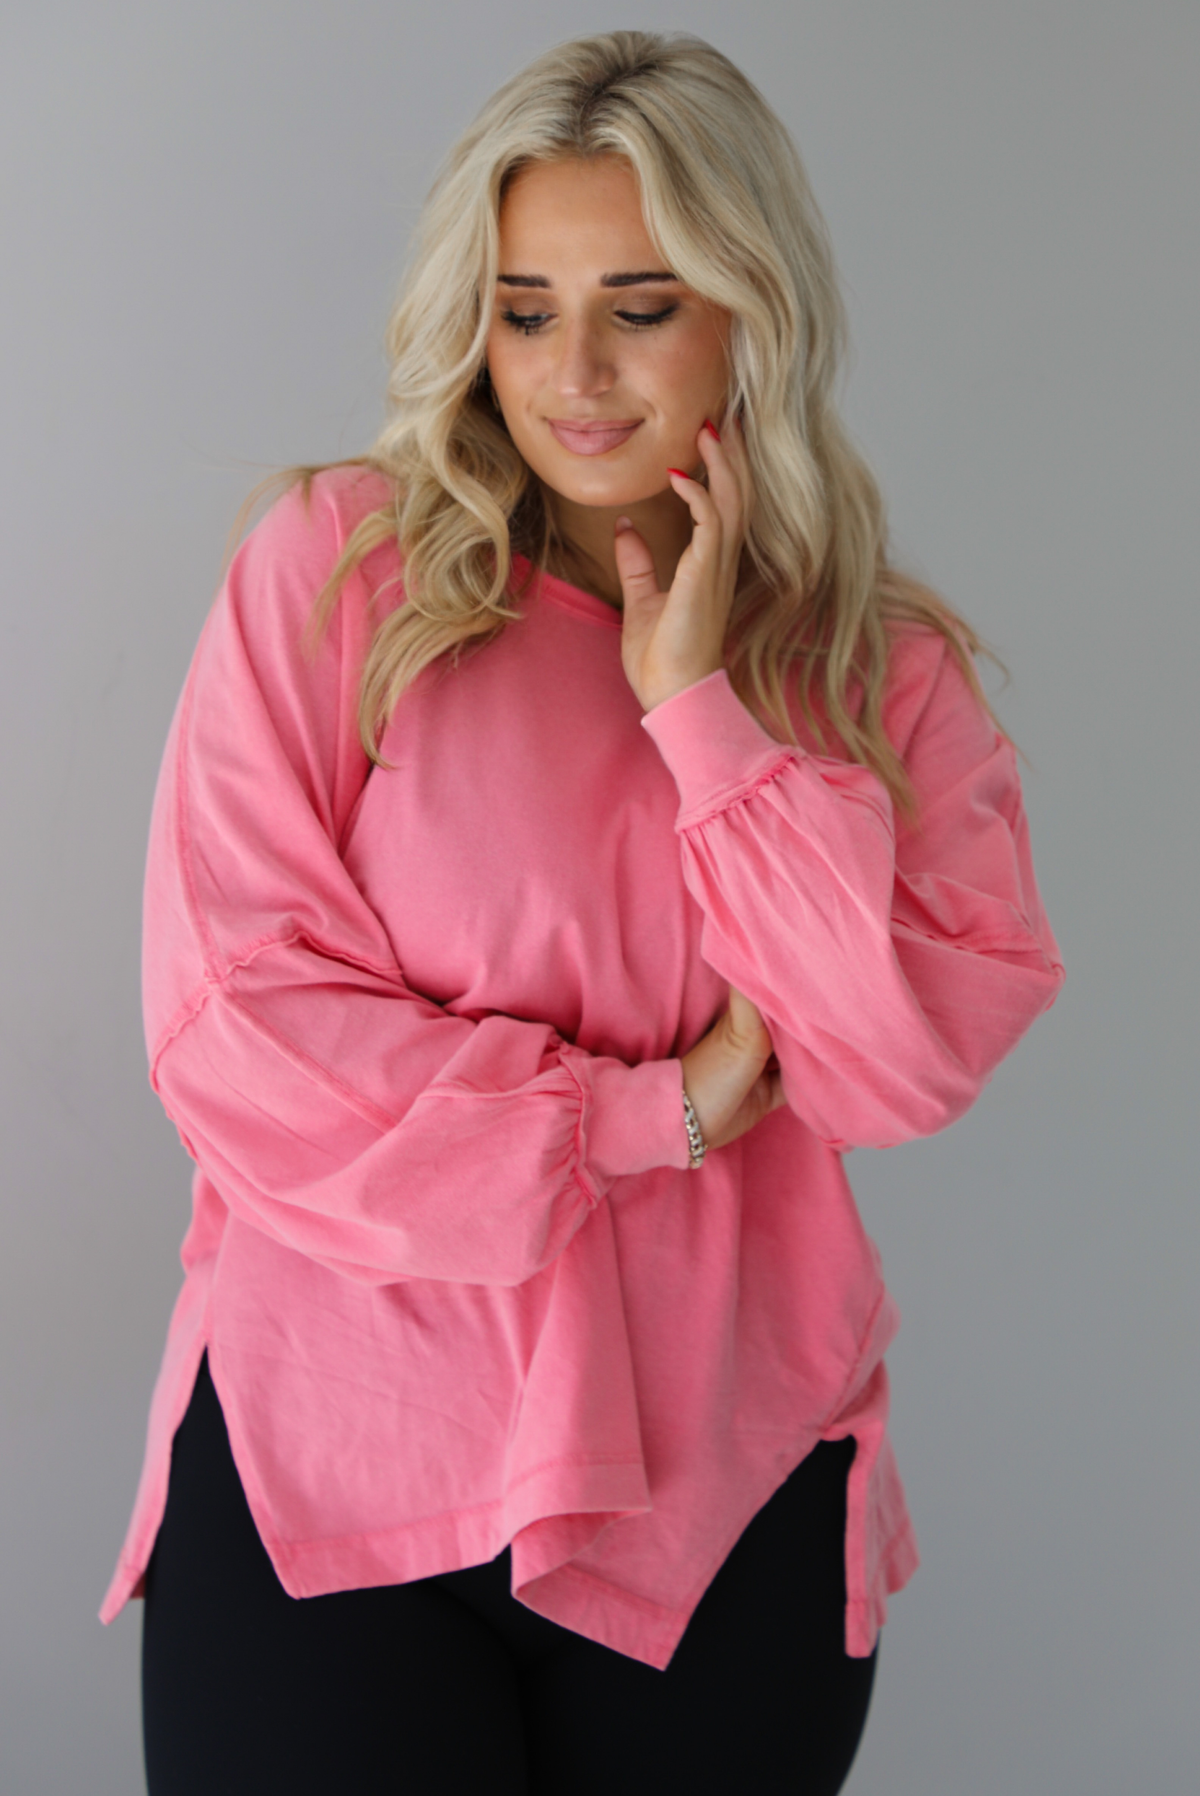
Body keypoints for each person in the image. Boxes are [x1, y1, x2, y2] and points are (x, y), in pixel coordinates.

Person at [101, 29, 1064, 1796]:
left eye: (642, 303)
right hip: (344, 1465)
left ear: (748, 312)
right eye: (527, 308)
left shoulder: (877, 672)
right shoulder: (335, 573)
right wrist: (657, 1110)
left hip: (724, 1487)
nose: (577, 372)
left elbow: (894, 1061)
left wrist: (702, 712)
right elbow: (237, 1033)